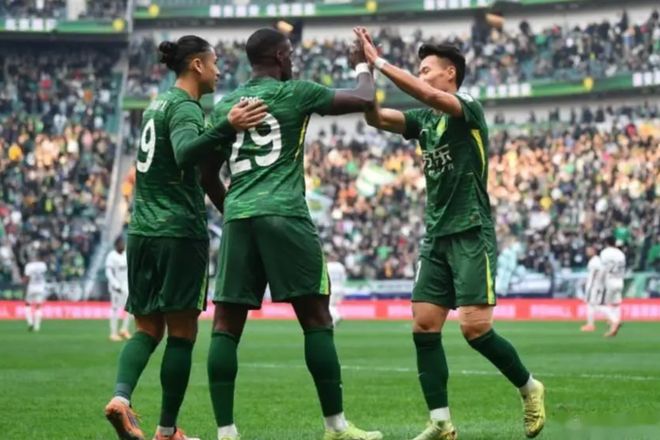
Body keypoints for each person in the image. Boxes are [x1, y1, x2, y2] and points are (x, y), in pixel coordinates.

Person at [354, 27, 546, 440]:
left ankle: (529, 387)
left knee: (475, 329)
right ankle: (441, 422)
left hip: (471, 229)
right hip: (436, 234)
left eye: (426, 69)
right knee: (424, 325)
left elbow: (429, 96)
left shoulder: (467, 107)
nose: (421, 75)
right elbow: (375, 117)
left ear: (450, 74)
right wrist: (363, 70)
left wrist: (381, 62)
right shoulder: (424, 120)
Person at [206, 27, 382, 440]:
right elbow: (364, 98)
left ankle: (226, 433)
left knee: (225, 325)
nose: (294, 62)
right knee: (316, 318)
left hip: (239, 216)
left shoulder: (226, 105)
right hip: (285, 212)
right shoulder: (296, 93)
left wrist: (233, 210)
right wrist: (362, 64)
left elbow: (206, 174)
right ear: (281, 57)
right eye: (291, 55)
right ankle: (336, 427)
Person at [104, 35, 267, 440]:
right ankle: (166, 431)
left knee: (146, 329)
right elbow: (184, 152)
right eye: (214, 63)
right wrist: (226, 126)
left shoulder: (156, 104)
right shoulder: (184, 107)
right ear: (197, 65)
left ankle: (121, 398)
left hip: (142, 230)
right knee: (182, 333)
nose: (218, 71)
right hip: (178, 232)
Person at [106, 236, 132, 341]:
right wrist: (115, 285)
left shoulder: (126, 254)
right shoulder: (111, 256)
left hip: (126, 285)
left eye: (123, 243)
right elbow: (109, 273)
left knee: (130, 308)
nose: (123, 245)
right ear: (116, 245)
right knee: (115, 309)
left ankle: (124, 329)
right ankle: (113, 333)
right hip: (116, 287)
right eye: (120, 243)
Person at [599, 237, 626, 337]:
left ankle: (614, 321)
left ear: (606, 243)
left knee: (600, 304)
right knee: (616, 304)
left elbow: (603, 269)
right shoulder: (621, 254)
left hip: (609, 280)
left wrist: (599, 282)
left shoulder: (605, 252)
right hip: (620, 280)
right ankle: (614, 328)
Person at [23, 252, 48, 332]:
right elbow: (45, 273)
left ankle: (30, 323)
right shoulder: (43, 265)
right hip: (41, 287)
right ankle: (37, 326)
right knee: (38, 306)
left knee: (27, 305)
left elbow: (27, 278)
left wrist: (23, 283)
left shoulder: (29, 266)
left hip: (32, 287)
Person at [581, 245, 603, 332]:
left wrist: (588, 288)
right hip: (597, 286)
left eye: (589, 250)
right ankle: (612, 319)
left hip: (594, 286)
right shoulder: (596, 260)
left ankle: (590, 325)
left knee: (591, 305)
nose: (587, 252)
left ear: (594, 251)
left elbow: (592, 276)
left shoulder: (594, 261)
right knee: (595, 306)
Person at [327, 253, 348, 326]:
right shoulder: (340, 266)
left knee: (329, 305)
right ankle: (333, 322)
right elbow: (344, 278)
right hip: (340, 288)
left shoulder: (327, 266)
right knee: (334, 306)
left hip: (331, 288)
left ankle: (338, 316)